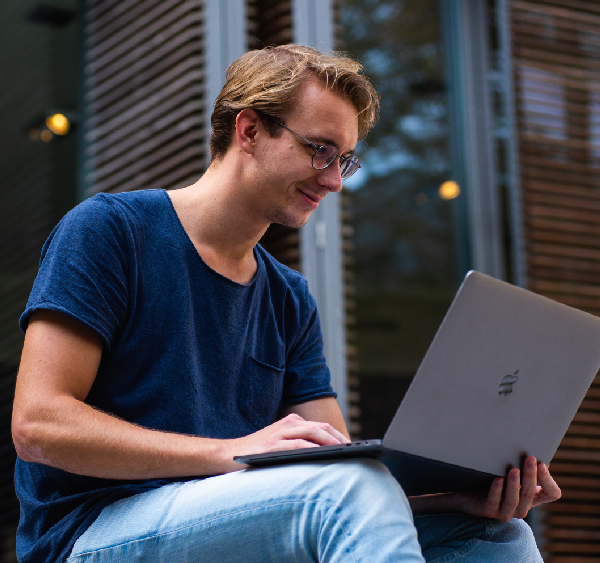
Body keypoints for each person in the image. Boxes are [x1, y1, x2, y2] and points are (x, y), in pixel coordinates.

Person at [12, 45, 560, 563]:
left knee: (496, 537)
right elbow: (38, 426)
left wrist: (450, 499)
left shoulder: (287, 295)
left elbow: (341, 472)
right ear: (249, 130)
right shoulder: (111, 232)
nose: (333, 181)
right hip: (93, 530)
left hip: (236, 520)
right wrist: (233, 452)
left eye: (345, 161)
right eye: (320, 150)